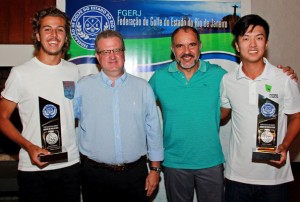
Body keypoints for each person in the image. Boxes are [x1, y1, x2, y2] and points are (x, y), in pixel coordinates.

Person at [148, 25, 297, 202]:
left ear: (200, 46)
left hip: (211, 162)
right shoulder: (159, 78)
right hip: (174, 163)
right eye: (180, 46)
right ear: (173, 49)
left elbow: (242, 88)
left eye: (192, 45)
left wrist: (285, 75)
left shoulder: (221, 76)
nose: (186, 51)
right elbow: (143, 112)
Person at [0, 7, 81, 202]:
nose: (54, 35)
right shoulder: (20, 73)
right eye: (47, 29)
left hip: (70, 165)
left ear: (66, 36)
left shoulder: (73, 71)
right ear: (37, 35)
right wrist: (28, 146)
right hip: (34, 168)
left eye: (60, 29)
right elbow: (2, 118)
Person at [73, 30, 164, 202]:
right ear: (97, 57)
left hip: (135, 175)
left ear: (124, 53)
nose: (112, 56)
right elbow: (67, 123)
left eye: (116, 50)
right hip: (94, 175)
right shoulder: (82, 88)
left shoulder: (143, 88)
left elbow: (154, 131)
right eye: (106, 51)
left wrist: (155, 170)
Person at [220, 14, 300, 202]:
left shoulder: (284, 79)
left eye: (259, 37)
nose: (253, 44)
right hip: (236, 176)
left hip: (274, 176)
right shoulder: (228, 80)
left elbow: (296, 117)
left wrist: (285, 146)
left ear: (266, 44)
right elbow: (223, 114)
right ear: (237, 46)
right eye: (246, 38)